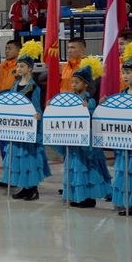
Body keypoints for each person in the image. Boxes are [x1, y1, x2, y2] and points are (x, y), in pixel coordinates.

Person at [54, 57, 111, 208]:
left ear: (85, 84)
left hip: (85, 141)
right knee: (75, 166)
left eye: (77, 82)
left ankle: (89, 198)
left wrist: (87, 109)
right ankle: (78, 195)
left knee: (85, 166)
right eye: (72, 82)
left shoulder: (89, 100)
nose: (73, 85)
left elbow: (92, 116)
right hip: (73, 139)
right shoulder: (70, 99)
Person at [1, 40, 51, 201]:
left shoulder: (34, 87)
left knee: (28, 158)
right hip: (17, 127)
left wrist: (37, 115)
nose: (19, 68)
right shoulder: (15, 85)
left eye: (22, 66)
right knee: (18, 158)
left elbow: (36, 106)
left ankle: (33, 189)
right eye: (18, 66)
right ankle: (23, 187)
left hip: (29, 127)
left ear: (30, 68)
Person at [113, 44, 132, 215]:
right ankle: (128, 202)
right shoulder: (122, 94)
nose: (125, 76)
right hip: (124, 142)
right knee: (125, 172)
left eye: (128, 72)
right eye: (123, 72)